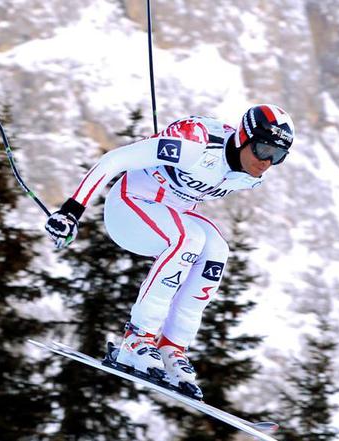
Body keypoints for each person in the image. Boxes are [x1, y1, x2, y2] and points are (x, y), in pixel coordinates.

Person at [45, 104, 294, 399]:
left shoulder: (253, 174)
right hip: (128, 207)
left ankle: (172, 348)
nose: (266, 162)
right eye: (263, 149)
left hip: (169, 216)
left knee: (216, 251)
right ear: (243, 137)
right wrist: (71, 211)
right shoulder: (196, 146)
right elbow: (115, 160)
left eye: (277, 156)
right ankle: (137, 339)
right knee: (187, 239)